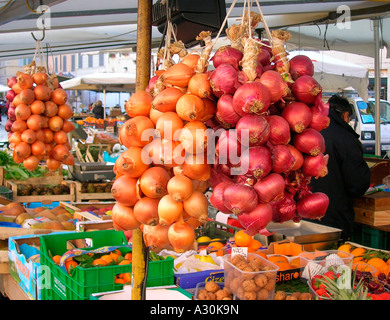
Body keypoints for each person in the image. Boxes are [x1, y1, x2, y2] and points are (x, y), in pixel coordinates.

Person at [309, 94, 371, 241]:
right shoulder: (347, 139)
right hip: (333, 218)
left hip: (303, 215)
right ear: (345, 115)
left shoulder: (310, 131)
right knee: (331, 260)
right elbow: (357, 185)